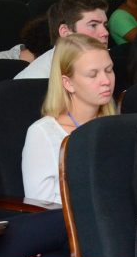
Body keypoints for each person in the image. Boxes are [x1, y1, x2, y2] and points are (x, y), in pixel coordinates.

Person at [22, 34, 116, 205]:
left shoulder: (116, 125)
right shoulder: (43, 134)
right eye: (93, 74)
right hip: (65, 221)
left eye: (109, 70)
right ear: (68, 83)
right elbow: (40, 208)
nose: (106, 81)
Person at [15, 0, 109, 80]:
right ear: (65, 32)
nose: (105, 33)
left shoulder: (105, 62)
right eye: (93, 25)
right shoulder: (37, 80)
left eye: (105, 25)